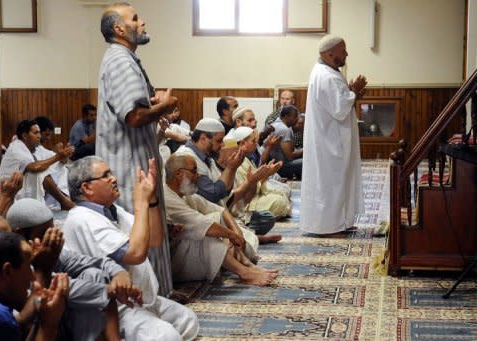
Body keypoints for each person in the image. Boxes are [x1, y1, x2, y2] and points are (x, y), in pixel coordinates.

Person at [63, 156, 199, 340]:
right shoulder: (82, 218)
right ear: (86, 187)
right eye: (105, 175)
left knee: (188, 320)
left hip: (144, 300)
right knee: (168, 336)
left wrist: (151, 200)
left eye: (111, 172)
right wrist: (140, 203)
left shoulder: (113, 210)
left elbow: (155, 239)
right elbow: (135, 254)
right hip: (118, 307)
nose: (114, 178)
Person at [97, 2, 177, 296]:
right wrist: (165, 106)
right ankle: (148, 300)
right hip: (128, 165)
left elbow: (138, 107)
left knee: (150, 229)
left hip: (137, 160)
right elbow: (132, 117)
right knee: (140, 231)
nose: (142, 22)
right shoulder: (120, 60)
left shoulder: (126, 58)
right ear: (119, 29)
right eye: (135, 19)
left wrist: (156, 105)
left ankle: (159, 296)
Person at [5, 198, 142, 341]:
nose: (51, 238)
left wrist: (120, 274)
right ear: (19, 234)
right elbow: (60, 286)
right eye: (44, 233)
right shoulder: (14, 264)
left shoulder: (52, 250)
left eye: (52, 230)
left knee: (93, 274)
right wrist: (112, 290)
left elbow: (97, 262)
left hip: (65, 328)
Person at [164, 154, 278, 285]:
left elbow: (220, 208)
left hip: (230, 223)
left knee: (219, 224)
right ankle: (243, 272)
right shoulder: (168, 198)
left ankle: (245, 264)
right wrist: (234, 169)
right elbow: (207, 217)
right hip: (174, 261)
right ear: (179, 174)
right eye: (194, 171)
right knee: (207, 231)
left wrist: (235, 232)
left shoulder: (186, 193)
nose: (198, 176)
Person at [300, 35, 367, 236]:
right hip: (330, 142)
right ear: (330, 54)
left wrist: (353, 94)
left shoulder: (326, 71)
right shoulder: (327, 76)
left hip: (330, 138)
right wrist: (353, 92)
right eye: (343, 50)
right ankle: (329, 227)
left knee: (338, 182)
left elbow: (340, 101)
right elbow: (339, 108)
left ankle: (342, 222)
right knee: (332, 184)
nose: (346, 53)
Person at [0, 231, 69, 341]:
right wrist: (48, 326)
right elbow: (6, 325)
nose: (32, 277)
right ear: (7, 271)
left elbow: (17, 322)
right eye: (27, 267)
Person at [0, 120, 75, 209]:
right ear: (24, 136)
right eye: (36, 133)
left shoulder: (35, 149)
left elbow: (56, 161)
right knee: (41, 172)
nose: (39, 136)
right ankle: (63, 201)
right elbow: (35, 167)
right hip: (11, 196)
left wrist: (64, 155)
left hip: (26, 195)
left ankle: (64, 200)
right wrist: (58, 156)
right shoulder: (16, 148)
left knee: (50, 169)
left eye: (39, 133)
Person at [34, 116, 72, 211]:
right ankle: (64, 199)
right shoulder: (21, 148)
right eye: (46, 135)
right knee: (46, 174)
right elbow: (40, 166)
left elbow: (55, 161)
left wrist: (63, 158)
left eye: (50, 135)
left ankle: (65, 197)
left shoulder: (41, 149)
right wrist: (58, 156)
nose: (48, 138)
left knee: (64, 170)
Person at [269, 105, 303, 179]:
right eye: (295, 117)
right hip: (280, 166)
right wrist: (305, 150)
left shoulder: (277, 124)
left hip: (275, 163)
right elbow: (289, 156)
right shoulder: (283, 129)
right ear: (287, 117)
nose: (297, 119)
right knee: (306, 161)